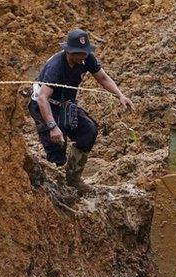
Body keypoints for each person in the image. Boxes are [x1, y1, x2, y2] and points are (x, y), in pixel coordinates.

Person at [28, 28, 134, 192]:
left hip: (66, 104)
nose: (84, 56)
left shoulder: (87, 58)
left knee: (88, 131)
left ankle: (73, 178)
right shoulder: (56, 67)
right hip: (45, 104)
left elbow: (102, 77)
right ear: (69, 51)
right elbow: (43, 98)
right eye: (80, 53)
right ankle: (57, 187)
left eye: (85, 52)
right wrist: (52, 126)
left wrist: (120, 95)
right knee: (57, 145)